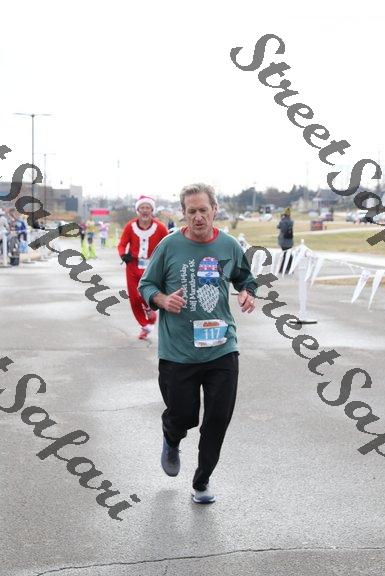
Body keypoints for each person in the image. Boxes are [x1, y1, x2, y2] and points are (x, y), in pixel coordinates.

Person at [138, 183, 257, 504]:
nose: (198, 217)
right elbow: (146, 284)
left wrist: (248, 293)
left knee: (218, 419)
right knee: (183, 415)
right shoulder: (169, 246)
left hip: (221, 347)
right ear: (183, 213)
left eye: (204, 210)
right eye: (191, 211)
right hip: (178, 352)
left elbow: (245, 278)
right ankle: (172, 438)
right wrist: (162, 299)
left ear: (215, 210)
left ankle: (202, 481)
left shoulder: (229, 246)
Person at [118, 195, 168, 340]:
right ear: (138, 210)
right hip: (133, 267)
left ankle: (149, 311)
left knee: (148, 295)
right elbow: (122, 244)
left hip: (152, 268)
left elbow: (168, 245)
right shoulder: (130, 226)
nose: (145, 210)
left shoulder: (160, 227)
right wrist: (123, 255)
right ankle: (145, 325)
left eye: (148, 208)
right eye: (142, 208)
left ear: (152, 210)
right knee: (134, 298)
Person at [277, 207, 294, 273]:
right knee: (288, 255)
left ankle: (284, 269)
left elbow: (279, 227)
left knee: (287, 255)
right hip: (289, 241)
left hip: (283, 241)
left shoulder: (283, 221)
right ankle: (287, 268)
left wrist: (282, 219)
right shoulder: (291, 221)